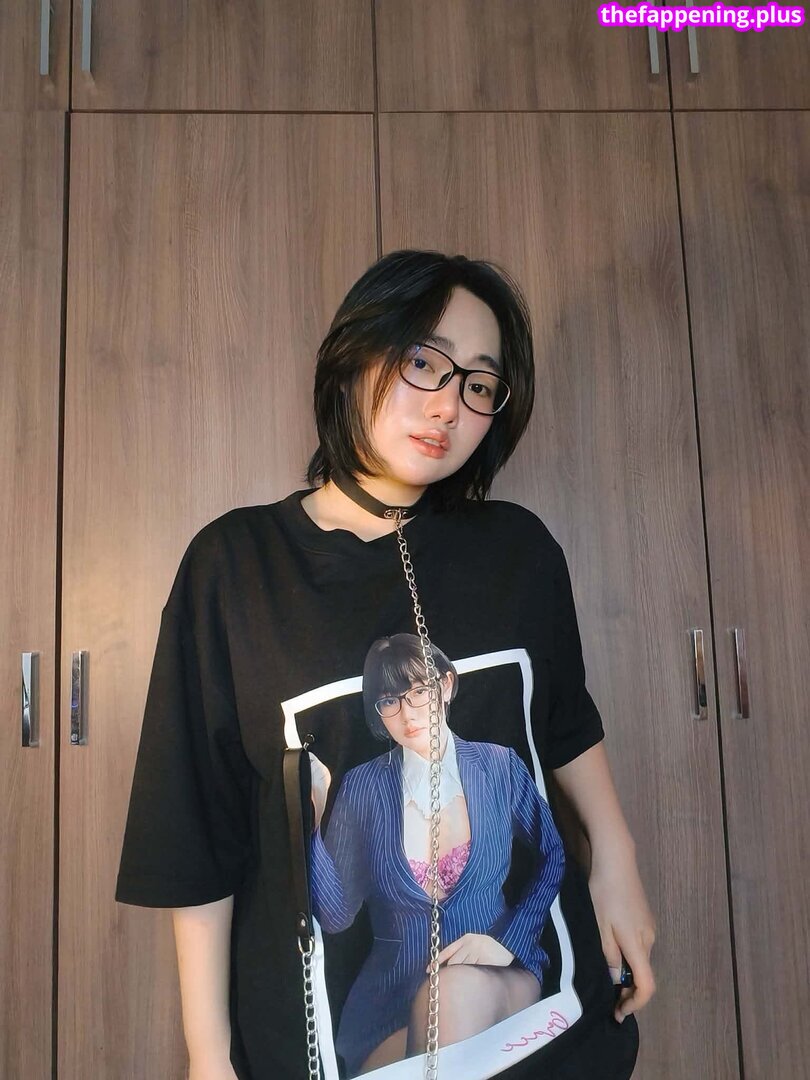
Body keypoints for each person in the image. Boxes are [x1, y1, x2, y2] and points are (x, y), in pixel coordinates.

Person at [115, 249, 656, 1080]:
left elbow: (563, 723)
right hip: (354, 1031)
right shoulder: (237, 566)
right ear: (355, 356)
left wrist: (617, 861)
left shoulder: (518, 551)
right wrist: (209, 1056)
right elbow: (196, 832)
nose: (448, 405)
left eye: (480, 383)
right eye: (423, 362)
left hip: (540, 1023)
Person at [309, 633, 566, 1076]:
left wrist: (508, 942)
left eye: (418, 691)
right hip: (393, 996)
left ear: (445, 685)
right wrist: (312, 821)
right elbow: (335, 915)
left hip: (496, 972)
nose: (408, 713)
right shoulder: (363, 788)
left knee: (453, 994)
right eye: (389, 702)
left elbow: (553, 853)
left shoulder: (498, 766)